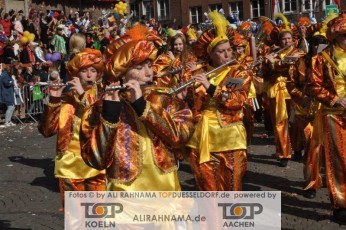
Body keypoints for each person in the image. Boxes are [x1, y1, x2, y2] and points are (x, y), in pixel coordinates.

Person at [80, 25, 194, 191]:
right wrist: (110, 116)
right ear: (122, 73)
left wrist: (142, 107)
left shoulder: (164, 99)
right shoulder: (100, 107)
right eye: (139, 68)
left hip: (165, 190)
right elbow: (97, 160)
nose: (149, 73)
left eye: (149, 65)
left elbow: (180, 137)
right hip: (124, 192)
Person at [186, 11, 251, 191]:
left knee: (232, 186)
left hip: (230, 135)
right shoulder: (199, 72)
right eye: (221, 51)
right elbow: (190, 104)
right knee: (208, 189)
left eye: (229, 50)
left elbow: (237, 101)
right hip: (203, 135)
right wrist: (185, 87)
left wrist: (211, 88)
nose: (227, 55)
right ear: (211, 54)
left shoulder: (239, 73)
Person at [38, 48, 106, 209]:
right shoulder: (67, 100)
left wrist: (84, 96)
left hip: (97, 164)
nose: (89, 75)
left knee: (100, 215)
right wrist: (54, 100)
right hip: (69, 166)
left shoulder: (103, 97)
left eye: (93, 71)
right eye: (84, 71)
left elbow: (100, 120)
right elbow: (47, 130)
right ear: (76, 74)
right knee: (76, 217)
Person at [306, 13, 346, 224]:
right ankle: (340, 204)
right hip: (334, 116)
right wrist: (335, 98)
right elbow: (312, 85)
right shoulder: (322, 57)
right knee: (338, 160)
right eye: (344, 35)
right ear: (336, 35)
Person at [262, 13, 305, 167]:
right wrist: (268, 63)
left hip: (294, 91)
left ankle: (298, 148)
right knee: (280, 122)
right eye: (283, 39)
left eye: (288, 39)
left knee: (296, 121)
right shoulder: (275, 53)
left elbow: (296, 67)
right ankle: (283, 154)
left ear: (293, 39)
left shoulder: (299, 53)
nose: (286, 41)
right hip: (278, 90)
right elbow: (265, 73)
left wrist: (276, 64)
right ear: (279, 41)